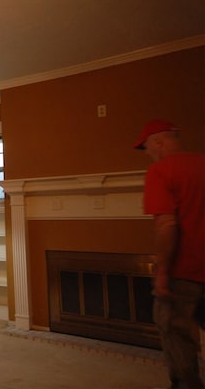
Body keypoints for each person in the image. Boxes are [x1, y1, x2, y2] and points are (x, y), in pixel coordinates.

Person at [134, 119, 205, 389]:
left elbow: (167, 225)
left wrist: (161, 274)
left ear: (158, 142)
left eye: (147, 148)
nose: (148, 154)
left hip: (182, 274)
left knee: (176, 334)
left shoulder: (160, 172)